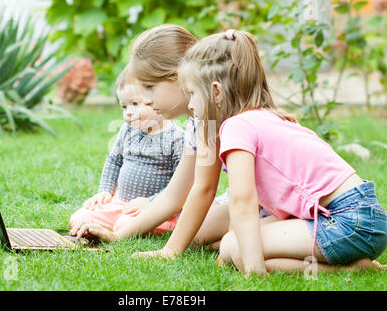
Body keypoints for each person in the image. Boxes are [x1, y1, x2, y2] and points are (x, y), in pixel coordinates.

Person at [173, 28, 387, 277]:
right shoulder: (271, 118)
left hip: (346, 223)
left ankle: (347, 269)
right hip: (366, 218)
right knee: (235, 243)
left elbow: (242, 201)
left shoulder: (236, 126)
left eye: (192, 94)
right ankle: (350, 263)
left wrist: (250, 265)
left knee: (235, 247)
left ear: (216, 91)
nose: (189, 104)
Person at [73, 24, 271, 250]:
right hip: (251, 203)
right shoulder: (199, 123)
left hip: (264, 205)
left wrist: (170, 251)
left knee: (221, 243)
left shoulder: (216, 118)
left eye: (149, 86)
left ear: (177, 79)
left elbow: (205, 190)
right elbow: (173, 196)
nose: (145, 100)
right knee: (196, 236)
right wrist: (119, 235)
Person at [69, 66, 184, 236]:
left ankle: (154, 227)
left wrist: (150, 202)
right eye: (124, 107)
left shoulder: (176, 138)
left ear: (156, 100)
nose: (129, 113)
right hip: (121, 203)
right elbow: (114, 161)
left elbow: (180, 183)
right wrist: (105, 191)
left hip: (153, 209)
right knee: (80, 216)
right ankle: (97, 225)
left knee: (124, 224)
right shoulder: (127, 131)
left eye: (135, 104)